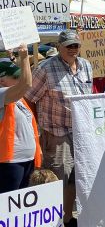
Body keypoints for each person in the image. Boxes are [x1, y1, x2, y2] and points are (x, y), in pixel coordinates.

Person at [25, 30, 92, 227]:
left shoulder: (86, 66)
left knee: (74, 179)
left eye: (76, 45)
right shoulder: (44, 69)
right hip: (56, 134)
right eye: (69, 46)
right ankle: (52, 222)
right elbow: (28, 99)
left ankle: (67, 217)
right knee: (56, 180)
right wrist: (36, 131)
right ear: (59, 47)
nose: (73, 49)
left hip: (80, 134)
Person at [0, 44, 42, 193]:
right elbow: (27, 84)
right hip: (9, 163)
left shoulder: (18, 98)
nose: (20, 79)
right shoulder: (2, 94)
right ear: (2, 80)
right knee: (7, 208)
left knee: (20, 210)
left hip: (26, 160)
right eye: (16, 76)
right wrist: (24, 57)